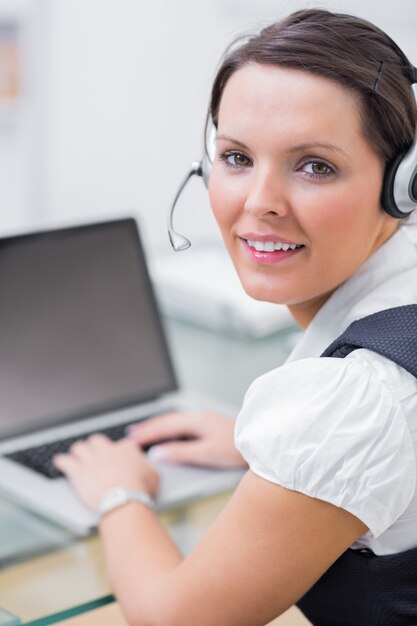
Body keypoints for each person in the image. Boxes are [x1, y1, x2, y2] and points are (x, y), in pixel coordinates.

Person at [54, 8, 417, 625]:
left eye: (315, 165)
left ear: (403, 184)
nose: (259, 203)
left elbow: (176, 620)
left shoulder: (360, 395)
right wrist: (273, 453)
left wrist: (119, 493)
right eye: (237, 157)